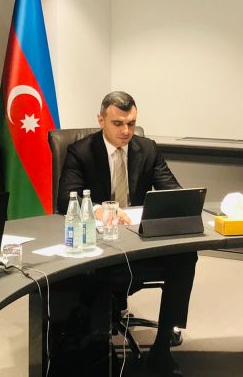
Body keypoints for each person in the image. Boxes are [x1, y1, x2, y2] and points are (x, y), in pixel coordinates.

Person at [58, 91, 197, 377]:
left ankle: (162, 347)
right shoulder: (81, 151)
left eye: (131, 123)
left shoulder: (147, 149)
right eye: (118, 123)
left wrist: (180, 204)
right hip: (100, 239)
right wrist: (99, 210)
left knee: (185, 257)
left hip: (138, 237)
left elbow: (172, 191)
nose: (126, 131)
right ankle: (94, 345)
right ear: (101, 121)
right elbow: (64, 199)